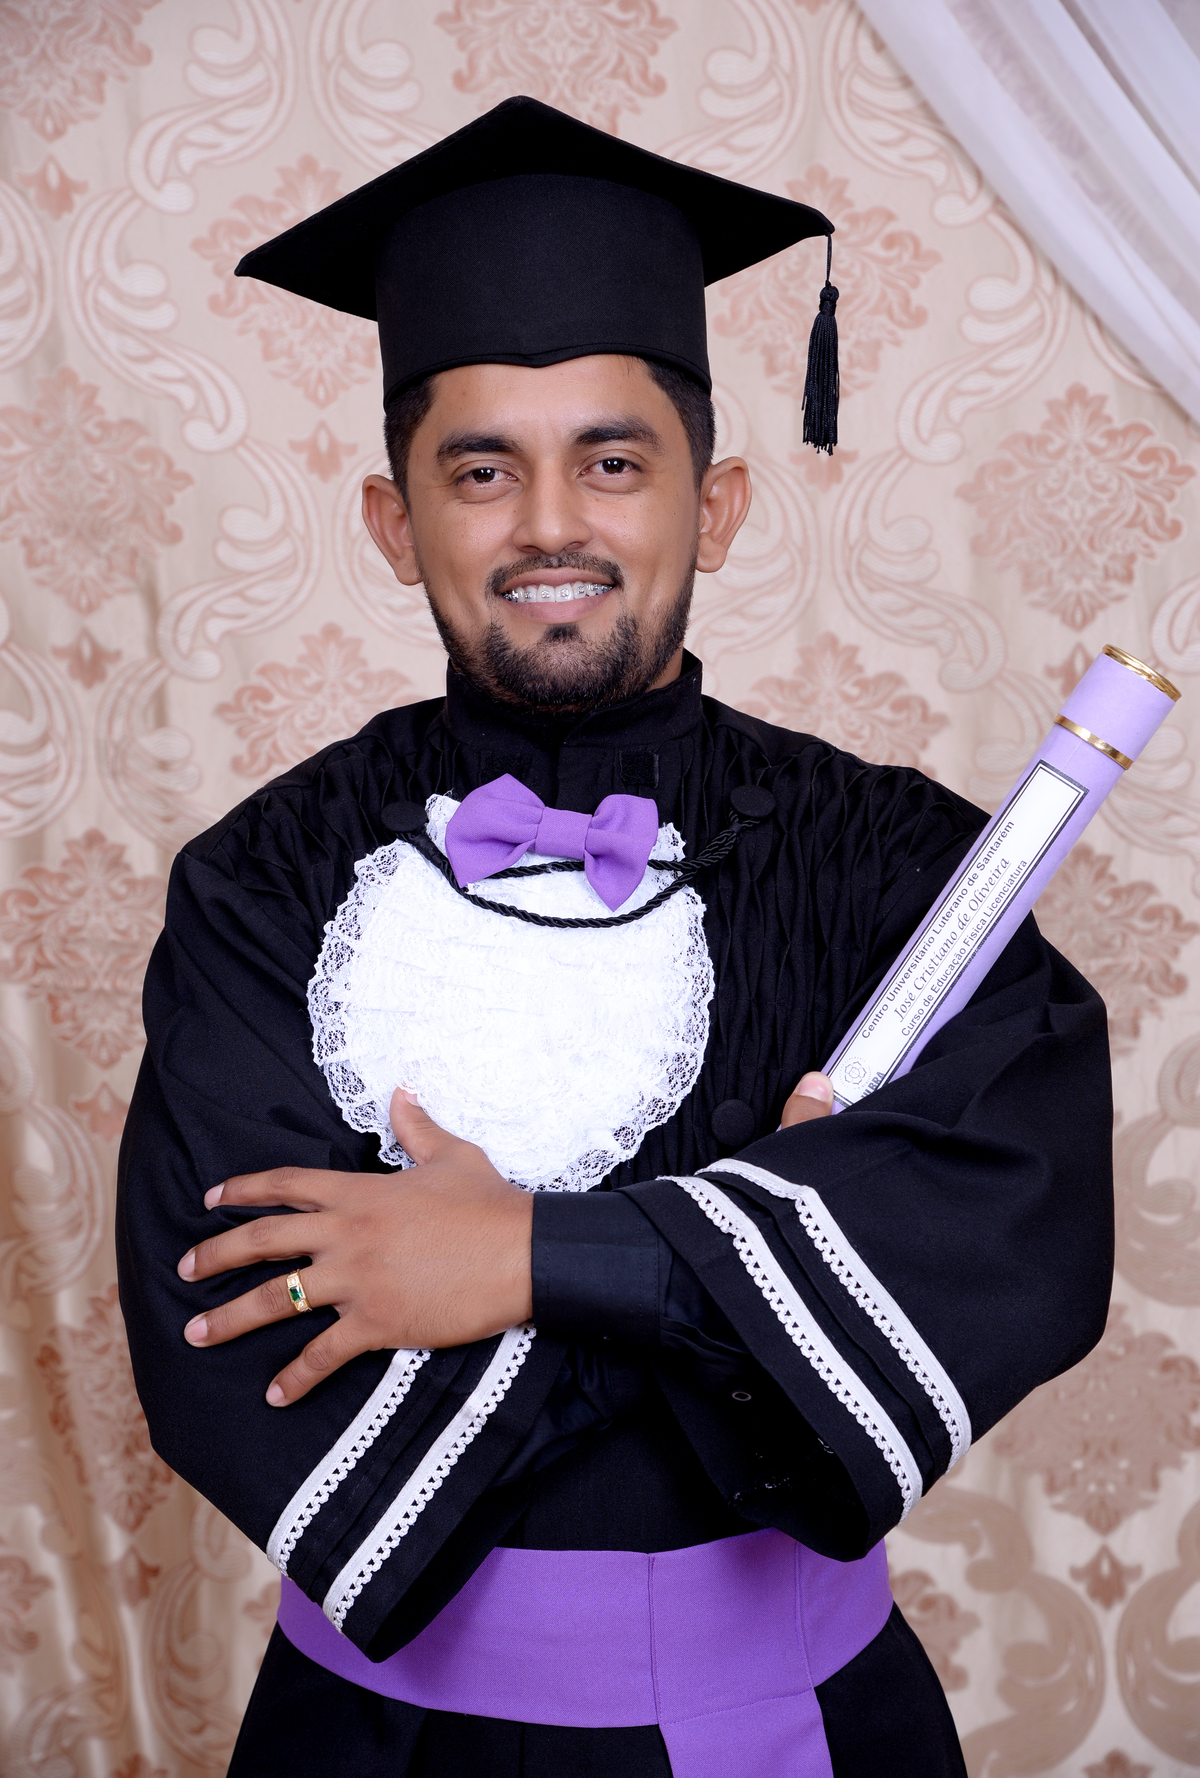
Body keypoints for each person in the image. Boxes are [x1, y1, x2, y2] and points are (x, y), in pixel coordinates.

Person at [116, 97, 1113, 1778]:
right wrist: (755, 1241)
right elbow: (240, 1338)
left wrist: (522, 1258)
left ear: (713, 508)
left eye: (614, 461)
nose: (549, 528)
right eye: (480, 471)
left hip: (785, 1734)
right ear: (394, 523)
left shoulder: (899, 871)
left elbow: (1007, 1239)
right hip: (371, 1740)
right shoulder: (260, 884)